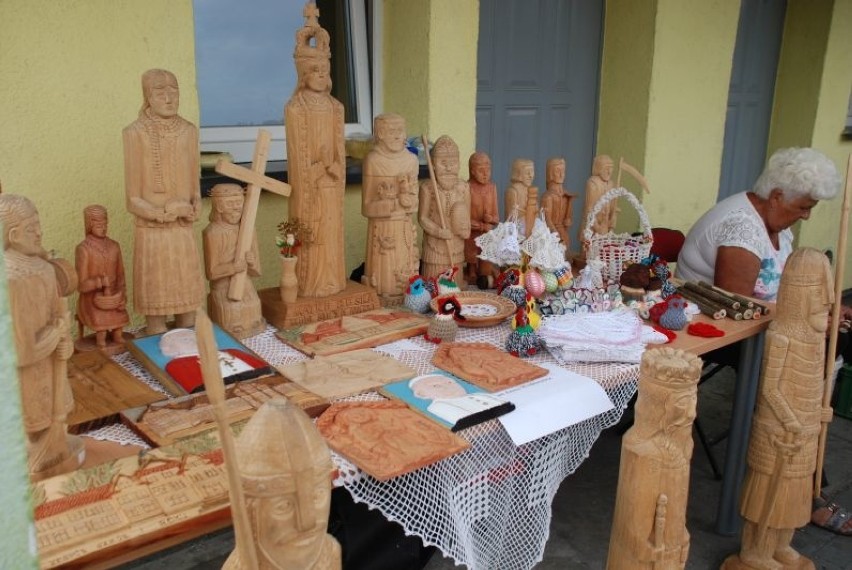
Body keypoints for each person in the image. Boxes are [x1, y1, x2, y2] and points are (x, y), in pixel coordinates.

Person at [676, 147, 852, 536]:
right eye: (804, 206)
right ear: (777, 196)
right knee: (797, 380)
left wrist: (824, 309)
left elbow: (778, 289)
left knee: (830, 345)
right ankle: (807, 490)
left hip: (756, 327)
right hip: (716, 329)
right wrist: (809, 319)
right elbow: (740, 308)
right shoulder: (741, 227)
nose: (807, 215)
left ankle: (805, 467)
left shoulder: (775, 222)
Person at [724, 248, 832, 568]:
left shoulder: (817, 340)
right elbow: (771, 389)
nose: (826, 305)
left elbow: (812, 383)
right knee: (768, 494)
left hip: (805, 431)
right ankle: (755, 551)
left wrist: (819, 412)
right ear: (799, 296)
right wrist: (789, 419)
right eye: (819, 297)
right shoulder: (781, 336)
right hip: (779, 432)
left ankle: (781, 546)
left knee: (795, 494)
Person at [0, 194, 84, 481]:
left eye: (39, 224)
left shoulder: (45, 269)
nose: (39, 232)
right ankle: (34, 452)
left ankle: (53, 446)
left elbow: (57, 316)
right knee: (33, 421)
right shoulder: (10, 278)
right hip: (28, 371)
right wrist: (54, 335)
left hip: (50, 364)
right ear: (12, 235)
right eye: (31, 228)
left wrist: (65, 340)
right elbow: (21, 350)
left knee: (56, 414)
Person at [123, 68, 204, 335]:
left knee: (186, 302)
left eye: (174, 91)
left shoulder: (188, 131)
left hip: (182, 230)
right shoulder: (135, 133)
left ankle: (189, 338)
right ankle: (156, 337)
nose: (169, 98)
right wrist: (159, 213)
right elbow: (133, 199)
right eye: (160, 92)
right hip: (152, 231)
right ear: (147, 96)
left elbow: (195, 187)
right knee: (156, 295)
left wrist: (194, 206)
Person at [223, 398, 341, 569]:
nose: (307, 523)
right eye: (283, 506)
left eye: (317, 496)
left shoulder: (329, 554)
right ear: (248, 513)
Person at [284, 5, 347, 298]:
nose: (321, 75)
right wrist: (316, 168)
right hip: (310, 187)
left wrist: (334, 168)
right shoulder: (296, 108)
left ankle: (333, 281)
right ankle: (312, 284)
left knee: (331, 232)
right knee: (314, 233)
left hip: (331, 185)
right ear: (303, 74)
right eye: (315, 70)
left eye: (325, 70)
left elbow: (339, 150)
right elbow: (298, 153)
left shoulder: (336, 108)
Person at [361, 113, 420, 299]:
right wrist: (392, 203)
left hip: (403, 227)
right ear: (379, 134)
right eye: (391, 131)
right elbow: (367, 207)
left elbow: (415, 202)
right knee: (383, 279)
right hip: (383, 229)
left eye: (400, 131)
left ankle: (408, 295)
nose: (396, 136)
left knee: (405, 272)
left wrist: (408, 199)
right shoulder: (373, 161)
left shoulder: (411, 161)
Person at [203, 184, 265, 339]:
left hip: (245, 281)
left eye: (239, 203)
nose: (236, 208)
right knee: (231, 310)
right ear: (218, 207)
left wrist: (251, 263)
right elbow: (211, 272)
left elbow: (256, 270)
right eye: (230, 204)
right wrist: (233, 267)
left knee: (253, 305)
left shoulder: (248, 229)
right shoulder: (213, 233)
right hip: (223, 285)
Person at [75, 205, 129, 352]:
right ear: (89, 225)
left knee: (119, 316)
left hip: (112, 296)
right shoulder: (84, 249)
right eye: (99, 225)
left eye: (105, 225)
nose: (103, 228)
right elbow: (81, 285)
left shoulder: (114, 246)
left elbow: (120, 275)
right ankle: (101, 340)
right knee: (100, 319)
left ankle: (117, 336)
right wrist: (98, 282)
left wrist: (122, 294)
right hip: (91, 300)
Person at [419, 135, 470, 282]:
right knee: (434, 284)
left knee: (455, 284)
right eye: (442, 163)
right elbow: (422, 218)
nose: (448, 167)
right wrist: (438, 231)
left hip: (456, 246)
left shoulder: (463, 188)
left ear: (459, 164)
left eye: (453, 163)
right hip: (434, 247)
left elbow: (466, 218)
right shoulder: (428, 188)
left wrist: (463, 230)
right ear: (433, 164)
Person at [465, 151, 501, 287]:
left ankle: (486, 270)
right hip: (471, 233)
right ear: (472, 171)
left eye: (488, 170)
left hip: (486, 236)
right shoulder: (466, 188)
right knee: (471, 248)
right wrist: (481, 226)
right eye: (481, 171)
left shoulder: (492, 188)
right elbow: (462, 219)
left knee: (484, 271)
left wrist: (490, 218)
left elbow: (496, 219)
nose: (486, 174)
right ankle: (471, 269)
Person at [541, 157, 576, 253]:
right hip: (551, 233)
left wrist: (567, 221)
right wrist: (557, 236)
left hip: (562, 232)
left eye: (563, 171)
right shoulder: (547, 197)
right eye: (557, 171)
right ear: (550, 174)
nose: (561, 175)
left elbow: (567, 221)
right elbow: (547, 221)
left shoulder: (565, 195)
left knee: (564, 254)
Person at [581, 154, 617, 240]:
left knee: (603, 251)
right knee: (588, 250)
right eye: (606, 168)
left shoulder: (611, 184)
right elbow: (588, 210)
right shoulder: (593, 184)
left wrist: (612, 221)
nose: (609, 171)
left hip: (605, 228)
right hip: (592, 228)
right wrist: (597, 228)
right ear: (599, 168)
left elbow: (613, 207)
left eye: (611, 168)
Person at [504, 158, 536, 235]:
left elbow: (535, 212)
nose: (531, 176)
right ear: (518, 174)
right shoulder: (513, 191)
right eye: (527, 172)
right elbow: (511, 218)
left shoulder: (530, 190)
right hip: (517, 232)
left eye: (532, 171)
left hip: (531, 228)